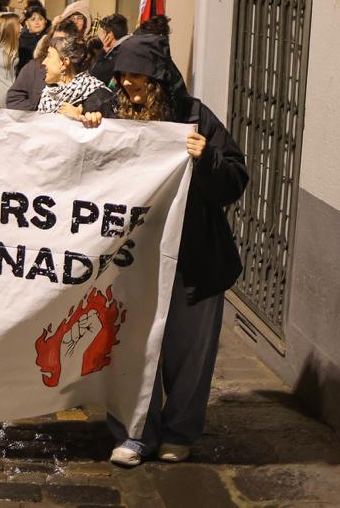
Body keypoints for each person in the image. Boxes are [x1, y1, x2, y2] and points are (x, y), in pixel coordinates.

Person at [90, 34, 248, 468]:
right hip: (130, 261)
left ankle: (179, 431)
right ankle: (134, 434)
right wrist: (76, 127)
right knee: (131, 349)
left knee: (188, 353)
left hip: (194, 259)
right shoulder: (107, 112)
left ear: (158, 78)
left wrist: (207, 159)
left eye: (136, 76)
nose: (127, 85)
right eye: (121, 76)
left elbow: (235, 179)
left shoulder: (195, 116)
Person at [37, 29, 113, 117]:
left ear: (64, 63)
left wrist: (79, 118)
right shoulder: (48, 96)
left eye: (49, 56)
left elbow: (114, 128)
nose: (44, 62)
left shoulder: (99, 97)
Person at [93, 12, 130, 83]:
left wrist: (102, 52)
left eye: (103, 32)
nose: (100, 35)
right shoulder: (128, 46)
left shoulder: (117, 53)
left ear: (110, 36)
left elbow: (95, 77)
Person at [17, 4, 49, 70]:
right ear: (26, 23)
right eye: (33, 19)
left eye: (40, 19)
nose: (37, 22)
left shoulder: (49, 39)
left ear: (45, 21)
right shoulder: (19, 39)